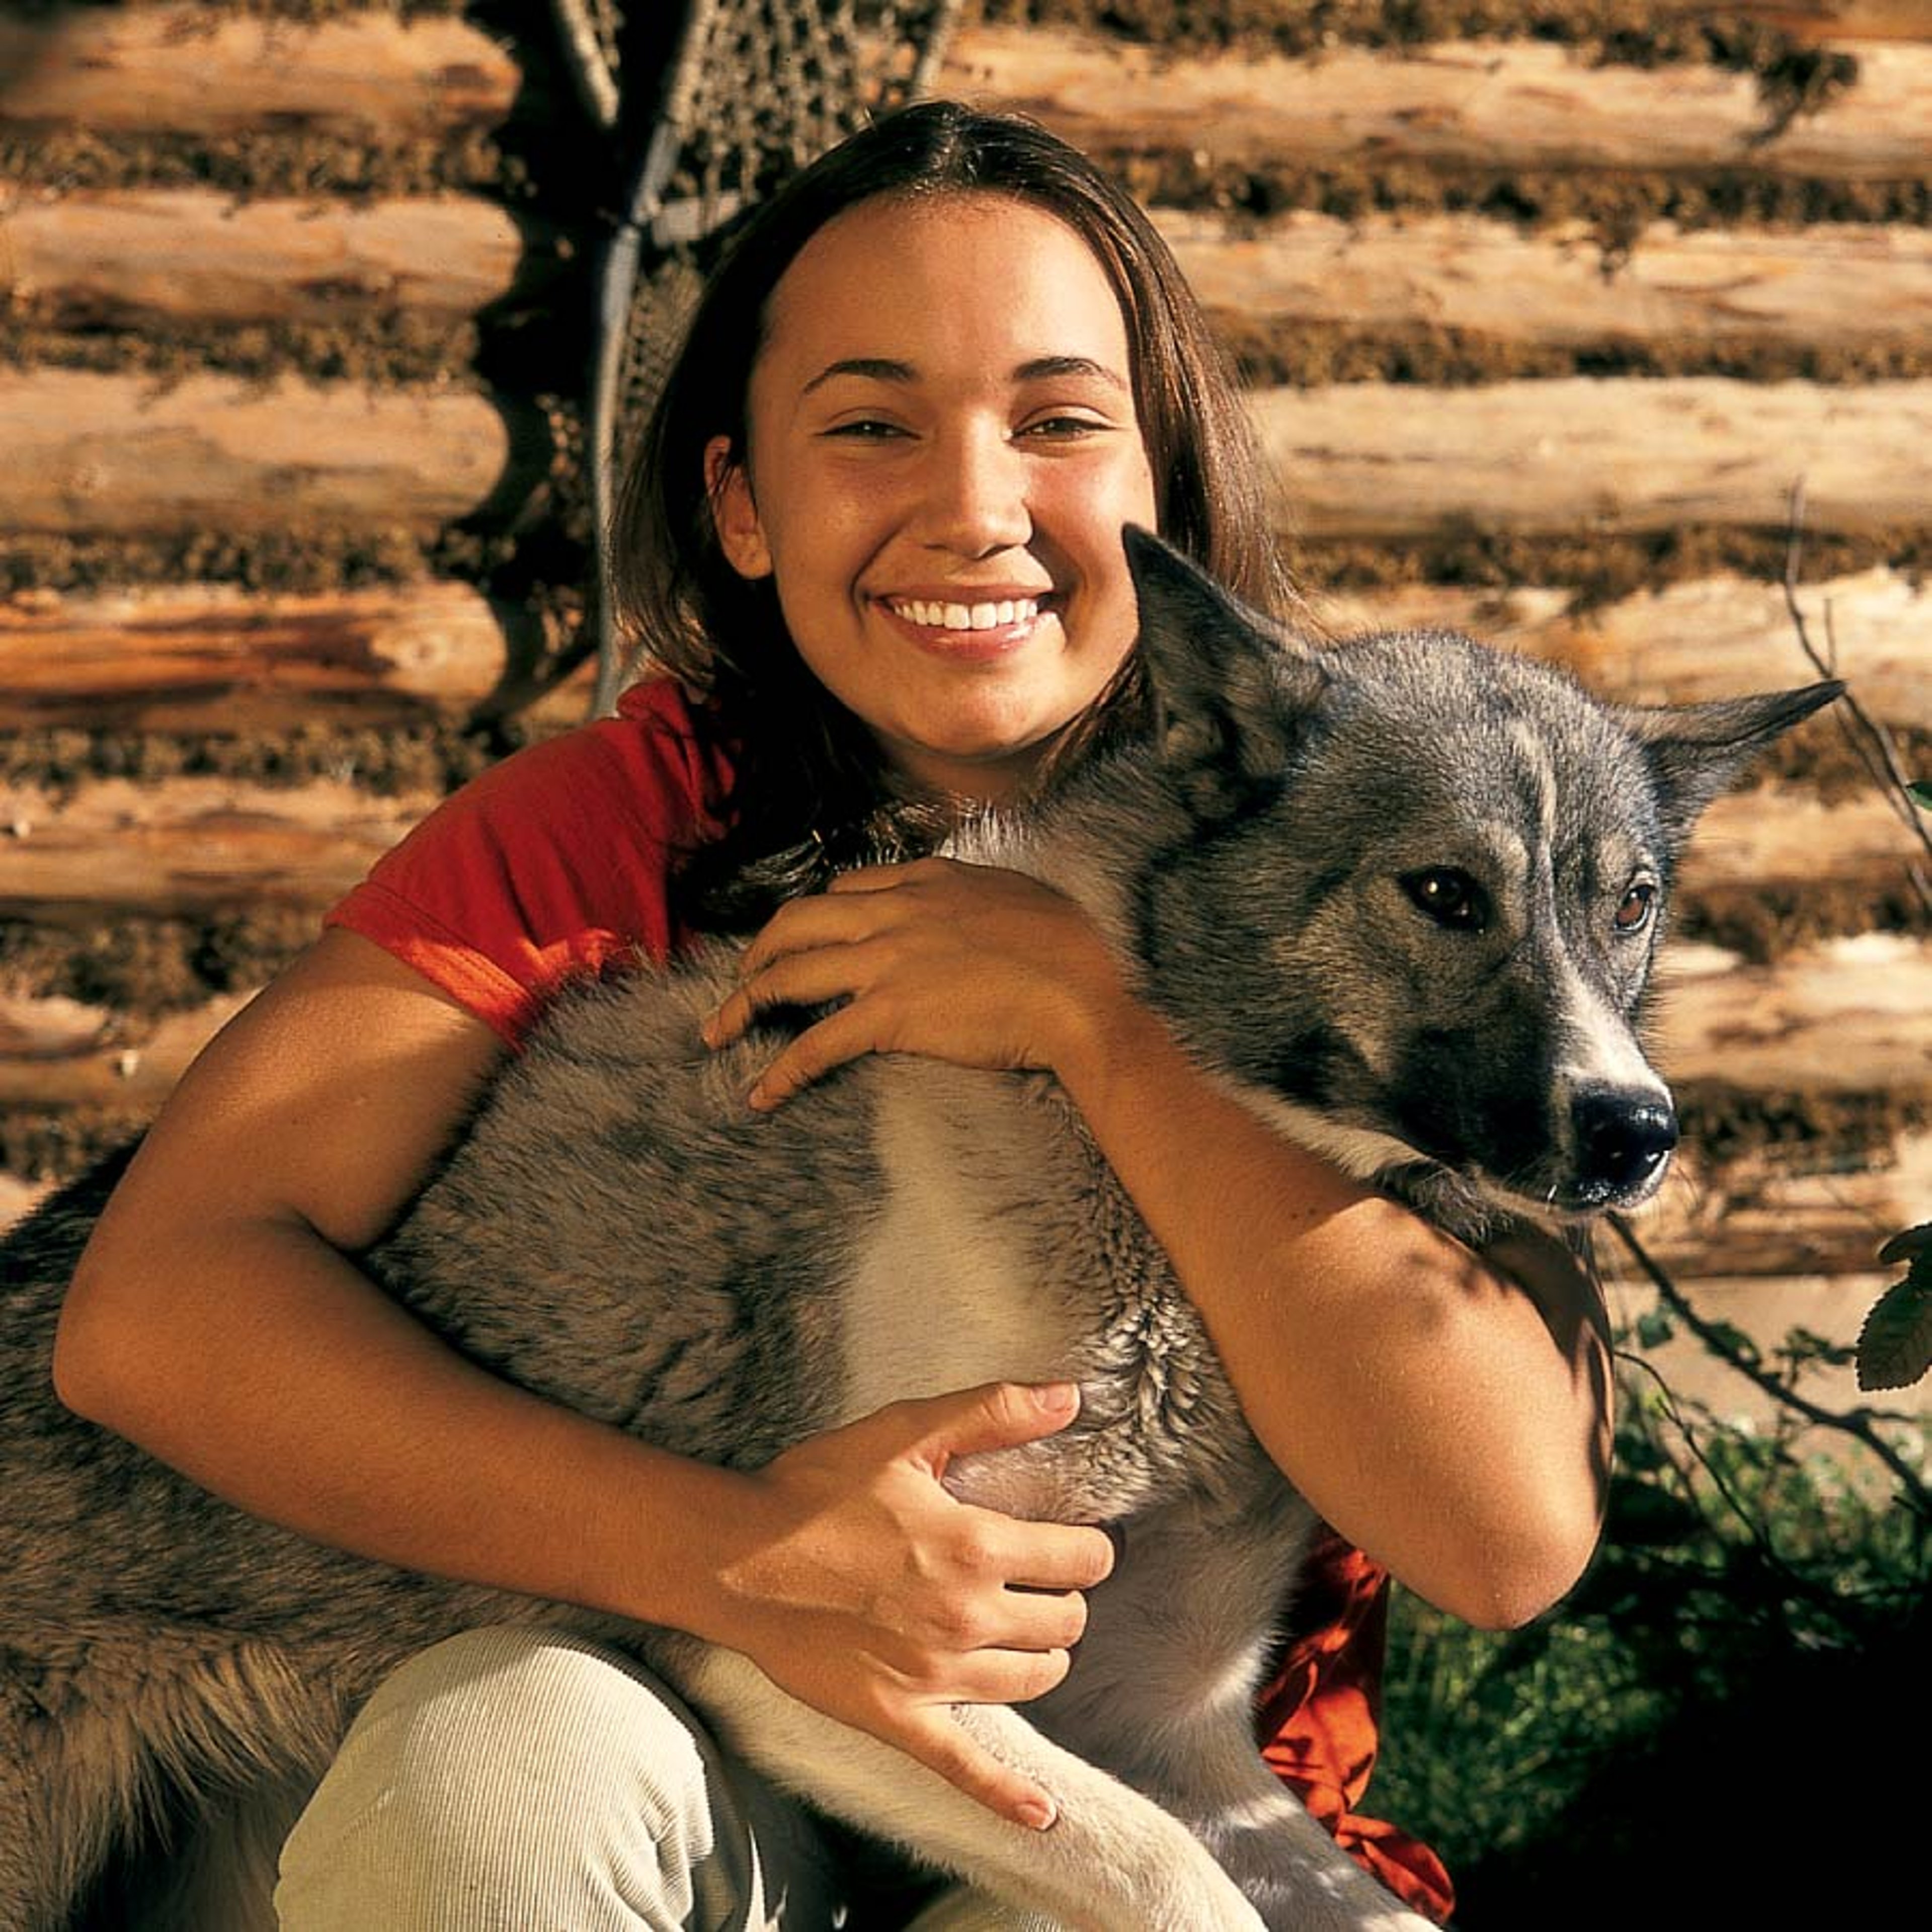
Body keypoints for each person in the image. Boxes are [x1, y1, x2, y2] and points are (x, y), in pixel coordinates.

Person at [53, 103, 1612, 1930]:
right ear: (739, 501)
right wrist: (742, 1554)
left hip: (1155, 1819)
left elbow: (1505, 1537)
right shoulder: (612, 831)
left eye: (1057, 423)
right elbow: (157, 1314)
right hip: (684, 1758)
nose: (971, 504)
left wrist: (1089, 1021)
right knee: (505, 1756)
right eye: (871, 426)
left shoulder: (1399, 834)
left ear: (1163, 485)